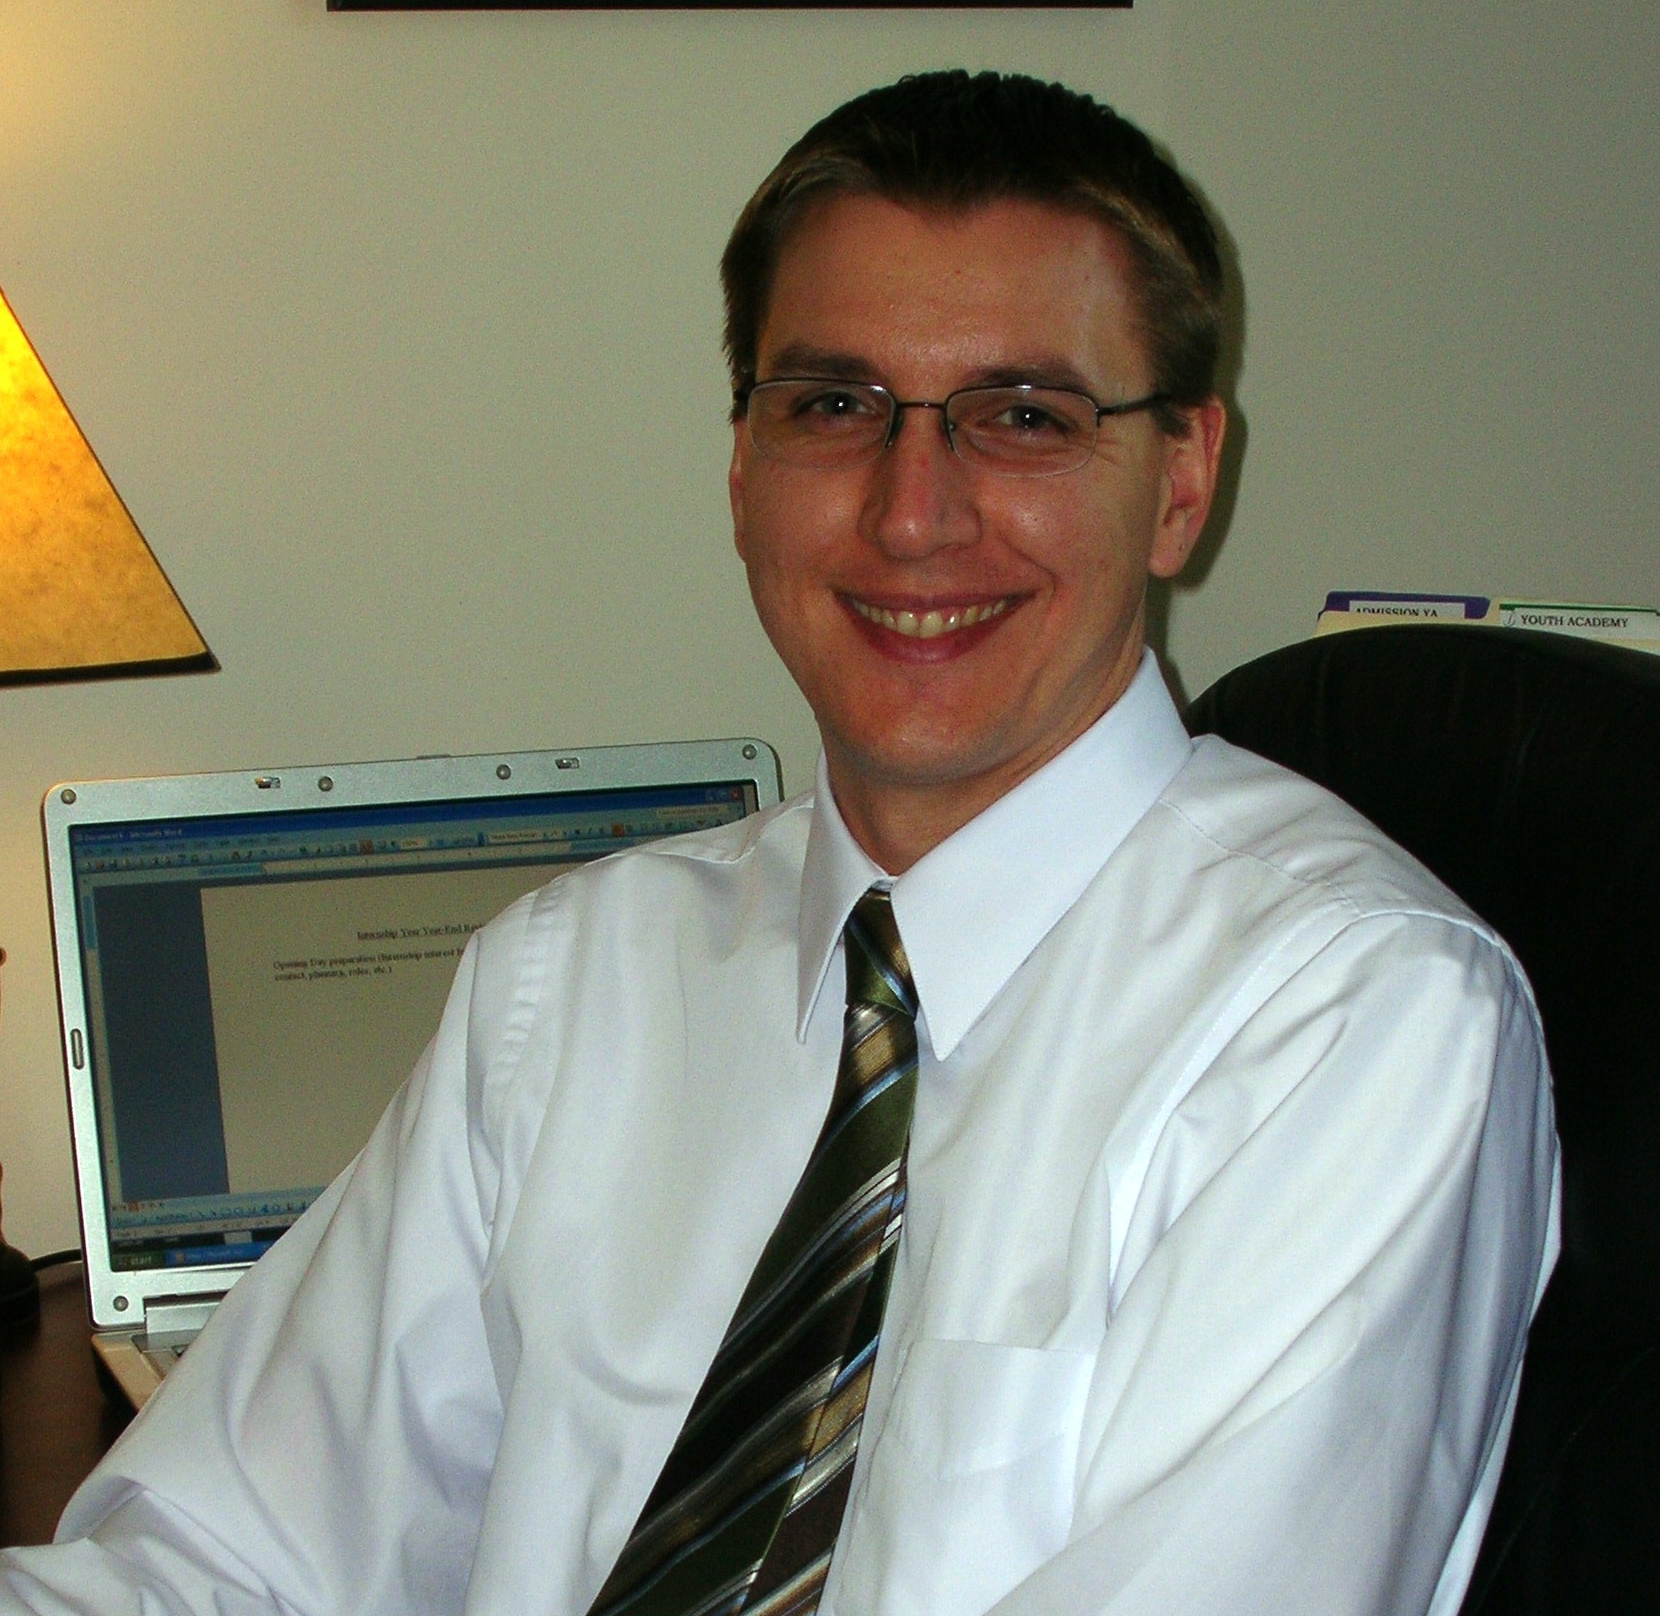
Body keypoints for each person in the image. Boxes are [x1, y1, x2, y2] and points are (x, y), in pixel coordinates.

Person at [0, 71, 1556, 1616]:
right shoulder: (572, 982)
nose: (912, 514)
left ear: (1183, 484)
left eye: (1024, 417)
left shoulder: (1355, 1022)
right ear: (744, 466)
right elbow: (216, 1553)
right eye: (835, 407)